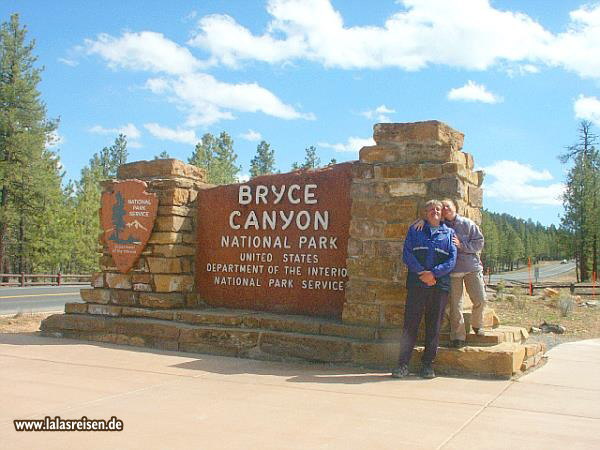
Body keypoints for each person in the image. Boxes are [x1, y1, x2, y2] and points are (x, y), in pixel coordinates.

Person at [392, 200, 457, 379]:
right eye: (430, 209)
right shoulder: (415, 230)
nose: (434, 212)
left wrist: (433, 274)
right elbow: (407, 253)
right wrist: (422, 272)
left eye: (437, 209)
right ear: (425, 213)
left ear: (441, 213)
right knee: (410, 325)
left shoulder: (449, 233)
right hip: (417, 283)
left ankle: (428, 365)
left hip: (439, 285)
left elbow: (452, 259)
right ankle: (402, 364)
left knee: (434, 326)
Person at [413, 199, 486, 348]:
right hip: (453, 271)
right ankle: (457, 337)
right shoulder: (442, 226)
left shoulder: (468, 224)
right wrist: (422, 220)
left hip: (471, 268)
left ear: (455, 208)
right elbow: (430, 222)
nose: (446, 209)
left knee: (480, 298)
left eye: (448, 206)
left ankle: (477, 324)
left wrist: (463, 246)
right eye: (443, 207)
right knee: (455, 305)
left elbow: (479, 242)